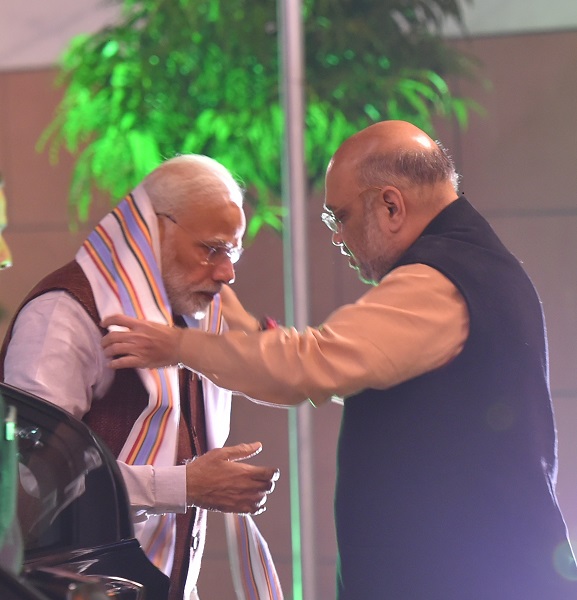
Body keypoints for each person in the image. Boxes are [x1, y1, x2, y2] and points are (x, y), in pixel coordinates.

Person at [100, 120, 577, 599]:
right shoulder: (476, 263)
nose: (337, 237)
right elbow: (342, 363)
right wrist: (232, 312)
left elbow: (310, 364)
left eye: (339, 217)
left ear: (391, 205)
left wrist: (176, 346)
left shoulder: (439, 282)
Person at [0, 155, 280, 600]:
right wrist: (184, 486)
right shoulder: (65, 316)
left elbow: (299, 379)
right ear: (153, 230)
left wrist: (247, 328)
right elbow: (29, 485)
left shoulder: (197, 317)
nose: (227, 273)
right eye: (211, 249)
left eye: (234, 253)